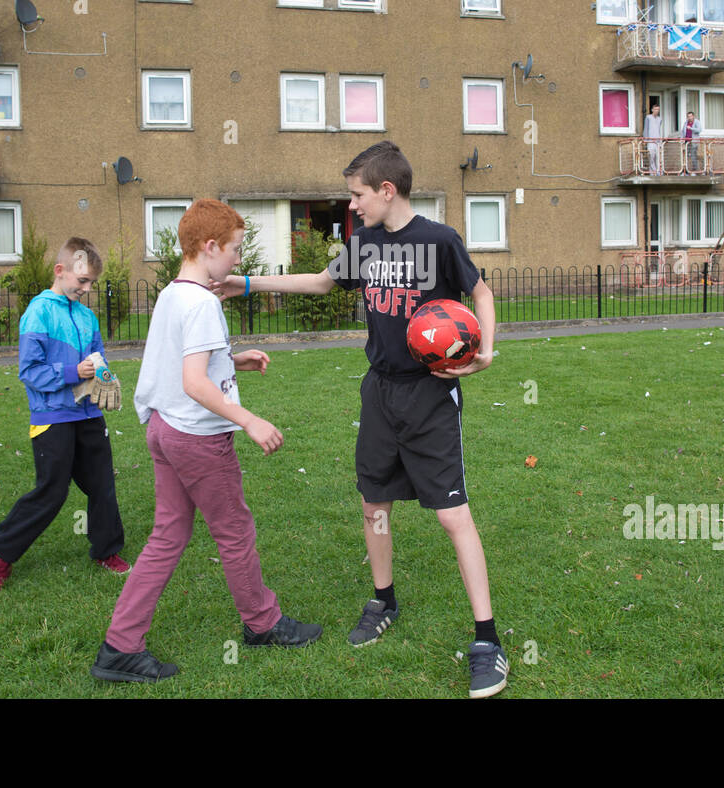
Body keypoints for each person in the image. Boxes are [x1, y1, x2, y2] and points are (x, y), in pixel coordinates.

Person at [216, 141, 508, 698]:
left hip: (430, 396)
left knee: (452, 517)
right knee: (374, 502)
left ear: (386, 190)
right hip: (379, 394)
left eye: (357, 195)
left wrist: (486, 350)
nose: (351, 206)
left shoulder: (440, 239)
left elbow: (481, 290)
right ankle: (384, 599)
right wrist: (248, 283)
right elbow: (324, 282)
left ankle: (487, 640)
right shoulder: (365, 241)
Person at [91, 200, 320, 682]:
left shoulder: (174, 293)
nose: (239, 261)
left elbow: (183, 362)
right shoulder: (202, 303)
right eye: (236, 250)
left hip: (164, 428)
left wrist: (232, 361)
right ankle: (263, 624)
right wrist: (248, 419)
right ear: (209, 246)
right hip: (196, 437)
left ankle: (119, 646)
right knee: (235, 531)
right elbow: (195, 383)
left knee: (168, 535)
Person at [0, 237, 131, 591]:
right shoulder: (38, 312)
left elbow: (96, 359)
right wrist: (71, 373)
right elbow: (29, 371)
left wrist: (105, 378)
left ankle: (106, 550)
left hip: (88, 414)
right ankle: (0, 551)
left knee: (102, 485)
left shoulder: (87, 315)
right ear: (60, 271)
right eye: (82, 281)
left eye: (92, 282)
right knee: (52, 492)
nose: (87, 288)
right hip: (52, 418)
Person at [642, 102, 663, 175]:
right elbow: (646, 129)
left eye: (658, 109)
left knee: (658, 157)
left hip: (657, 141)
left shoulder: (660, 119)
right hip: (650, 140)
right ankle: (652, 171)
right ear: (652, 110)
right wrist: (645, 139)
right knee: (651, 156)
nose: (657, 111)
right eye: (655, 109)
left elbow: (658, 129)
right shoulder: (648, 117)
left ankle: (658, 171)